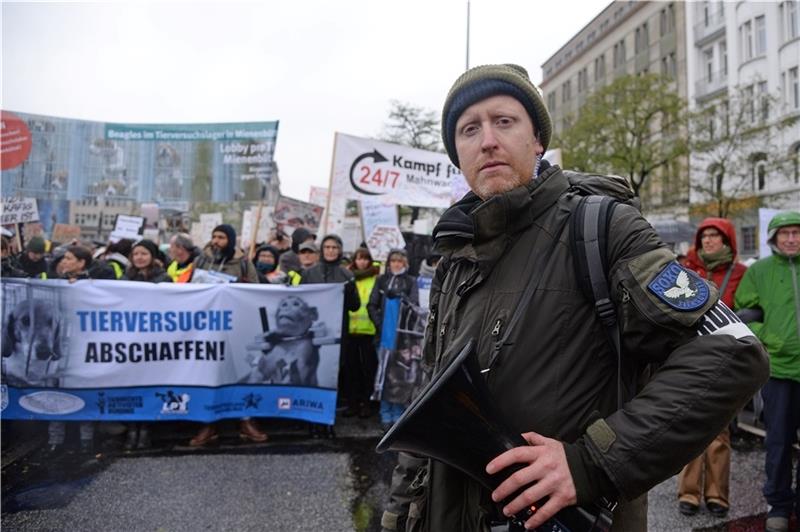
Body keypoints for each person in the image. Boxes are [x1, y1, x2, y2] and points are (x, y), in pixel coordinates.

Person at [381, 63, 768, 532]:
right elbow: (431, 400)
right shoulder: (454, 259)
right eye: (469, 129)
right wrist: (398, 514)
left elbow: (732, 350)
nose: (487, 140)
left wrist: (591, 462)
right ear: (457, 153)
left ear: (537, 139)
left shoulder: (601, 228)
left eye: (504, 121)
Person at [677, 218, 748, 518]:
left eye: (715, 236)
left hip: (726, 359)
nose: (708, 241)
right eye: (704, 235)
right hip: (691, 357)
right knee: (688, 424)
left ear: (728, 241)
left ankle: (717, 494)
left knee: (720, 429)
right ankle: (689, 492)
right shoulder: (688, 271)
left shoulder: (741, 274)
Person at [734, 211, 800, 532]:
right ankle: (778, 503)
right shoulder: (758, 271)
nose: (791, 239)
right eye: (784, 233)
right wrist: (768, 336)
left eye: (796, 233)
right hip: (780, 371)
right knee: (779, 441)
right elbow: (743, 313)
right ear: (773, 238)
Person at [188, 224, 266, 446]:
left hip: (236, 328)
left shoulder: (242, 263)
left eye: (221, 237)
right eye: (214, 236)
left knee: (240, 374)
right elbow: (189, 287)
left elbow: (256, 290)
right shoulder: (202, 260)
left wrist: (242, 286)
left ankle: (246, 421)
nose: (216, 241)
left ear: (230, 240)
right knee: (210, 375)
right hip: (208, 329)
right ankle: (208, 424)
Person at [300, 234, 360, 437]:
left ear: (340, 250)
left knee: (332, 376)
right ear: (322, 250)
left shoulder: (346, 274)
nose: (331, 251)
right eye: (327, 247)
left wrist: (351, 290)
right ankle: (311, 420)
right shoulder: (309, 273)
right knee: (312, 373)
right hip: (312, 335)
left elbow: (355, 307)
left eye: (335, 247)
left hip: (337, 335)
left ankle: (327, 418)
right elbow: (301, 302)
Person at [121, 239, 172, 450]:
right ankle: (132, 428)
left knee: (151, 384)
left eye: (144, 253)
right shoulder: (125, 278)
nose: (139, 258)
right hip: (132, 340)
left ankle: (147, 429)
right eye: (136, 254)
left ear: (152, 256)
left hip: (154, 340)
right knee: (133, 384)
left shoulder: (164, 278)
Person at [47, 245, 97, 456]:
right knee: (56, 392)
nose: (63, 261)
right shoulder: (53, 282)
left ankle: (86, 439)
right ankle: (55, 440)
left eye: (68, 258)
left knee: (83, 389)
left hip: (83, 347)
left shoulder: (94, 285)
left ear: (81, 263)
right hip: (59, 346)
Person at [367, 248, 420, 431]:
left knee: (398, 378)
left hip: (402, 340)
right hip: (383, 338)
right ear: (389, 263)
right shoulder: (380, 280)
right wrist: (380, 325)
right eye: (393, 261)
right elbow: (371, 305)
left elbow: (415, 306)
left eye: (400, 261)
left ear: (405, 263)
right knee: (383, 377)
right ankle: (385, 413)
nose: (396, 264)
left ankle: (397, 415)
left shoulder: (411, 282)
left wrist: (401, 299)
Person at [343, 247, 380, 418]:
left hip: (368, 332)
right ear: (354, 260)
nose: (362, 262)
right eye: (359, 258)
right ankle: (352, 403)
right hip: (350, 331)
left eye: (366, 258)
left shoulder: (375, 279)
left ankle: (366, 403)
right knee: (351, 370)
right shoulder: (348, 278)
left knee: (368, 369)